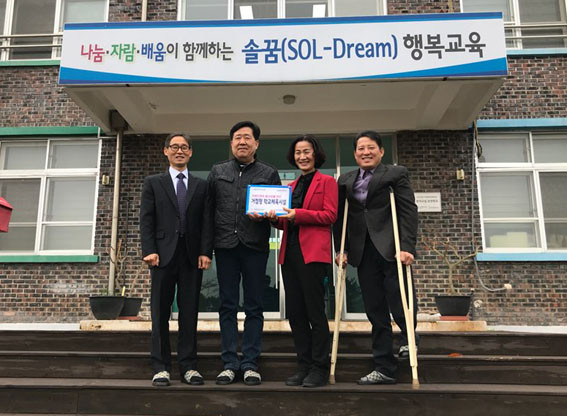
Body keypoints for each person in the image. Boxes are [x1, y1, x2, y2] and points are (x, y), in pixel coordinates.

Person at [333, 130, 418, 385]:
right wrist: (341, 249)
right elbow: (340, 218)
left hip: (392, 249)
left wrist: (407, 246)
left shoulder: (395, 174)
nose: (366, 152)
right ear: (355, 154)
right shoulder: (345, 180)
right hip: (363, 250)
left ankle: (409, 339)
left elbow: (408, 211)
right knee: (374, 309)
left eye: (371, 147)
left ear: (381, 151)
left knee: (400, 299)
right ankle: (384, 367)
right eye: (361, 148)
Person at [205, 121, 281, 385]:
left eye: (247, 138)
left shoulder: (269, 173)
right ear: (231, 143)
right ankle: (229, 363)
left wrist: (271, 215)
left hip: (255, 248)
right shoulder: (218, 171)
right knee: (227, 305)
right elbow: (208, 212)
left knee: (254, 306)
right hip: (225, 247)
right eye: (237, 137)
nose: (242, 142)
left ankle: (250, 363)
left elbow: (279, 216)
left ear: (256, 144)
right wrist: (206, 249)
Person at [140, 133, 212, 387]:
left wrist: (206, 251)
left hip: (192, 256)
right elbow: (146, 219)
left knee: (189, 312)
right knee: (160, 312)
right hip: (161, 256)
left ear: (190, 152)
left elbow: (207, 221)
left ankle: (189, 367)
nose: (179, 151)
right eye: (174, 147)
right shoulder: (153, 183)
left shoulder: (201, 185)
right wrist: (149, 249)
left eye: (184, 147)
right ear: (166, 151)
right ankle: (160, 367)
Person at [266, 135, 337, 388]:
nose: (302, 156)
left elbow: (330, 215)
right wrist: (273, 218)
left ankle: (320, 367)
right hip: (290, 253)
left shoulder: (327, 182)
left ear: (316, 154)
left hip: (313, 254)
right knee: (296, 313)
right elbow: (285, 221)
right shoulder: (291, 186)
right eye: (298, 152)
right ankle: (303, 365)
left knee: (314, 312)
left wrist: (298, 214)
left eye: (306, 151)